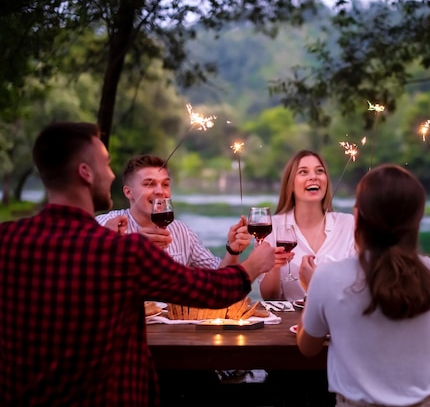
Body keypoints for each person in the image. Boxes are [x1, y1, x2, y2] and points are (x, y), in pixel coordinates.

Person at [0, 122, 274, 407]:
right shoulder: (123, 250)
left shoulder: (6, 239)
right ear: (85, 173)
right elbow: (212, 291)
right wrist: (253, 266)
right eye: (106, 165)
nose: (109, 174)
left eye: (165, 184)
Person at [297, 164, 430, 407]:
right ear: (417, 220)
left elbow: (308, 347)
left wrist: (312, 291)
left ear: (358, 217)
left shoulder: (328, 277)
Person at [96, 154, 250, 269]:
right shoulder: (106, 226)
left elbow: (218, 277)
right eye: (149, 184)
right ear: (128, 192)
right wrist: (125, 246)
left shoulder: (182, 232)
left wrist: (232, 250)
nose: (160, 191)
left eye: (165, 184)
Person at [259, 149, 356, 301]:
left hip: (337, 321)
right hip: (289, 324)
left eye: (319, 171)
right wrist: (275, 267)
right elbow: (270, 298)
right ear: (290, 184)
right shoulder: (271, 227)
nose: (313, 177)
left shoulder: (349, 224)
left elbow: (358, 290)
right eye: (303, 172)